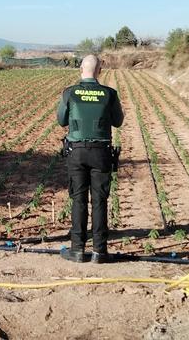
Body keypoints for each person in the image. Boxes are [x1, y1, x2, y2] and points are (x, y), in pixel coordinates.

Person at [56, 54, 124, 263]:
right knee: (100, 200)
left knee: (78, 199)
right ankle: (99, 251)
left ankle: (77, 250)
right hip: (101, 153)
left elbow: (61, 120)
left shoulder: (70, 93)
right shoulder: (109, 94)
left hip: (76, 152)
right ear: (99, 71)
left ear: (80, 70)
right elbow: (118, 121)